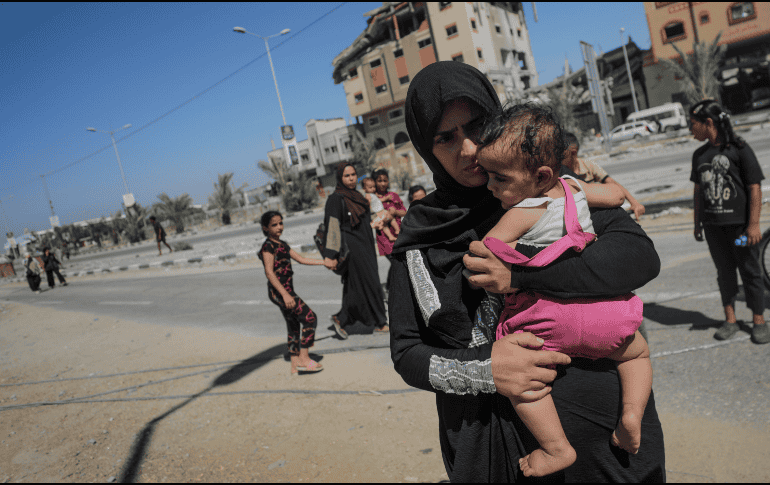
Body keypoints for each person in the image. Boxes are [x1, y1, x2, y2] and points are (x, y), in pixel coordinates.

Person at [390, 61, 665, 481]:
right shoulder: (420, 237)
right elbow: (407, 352)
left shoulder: (550, 188)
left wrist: (522, 278)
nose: (467, 150)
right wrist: (485, 369)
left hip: (605, 432)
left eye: (477, 125)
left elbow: (638, 259)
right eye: (445, 137)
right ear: (427, 148)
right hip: (492, 450)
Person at [475, 104, 651, 476]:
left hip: (547, 324)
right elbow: (615, 196)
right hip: (606, 315)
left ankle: (556, 448)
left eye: (498, 178)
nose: (490, 186)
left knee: (524, 385)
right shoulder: (574, 188)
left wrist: (515, 265)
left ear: (539, 175)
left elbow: (487, 252)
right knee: (636, 356)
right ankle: (632, 414)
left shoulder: (522, 211)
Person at [689, 99, 769, 345]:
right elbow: (698, 192)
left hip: (740, 228)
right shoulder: (699, 155)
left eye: (693, 124)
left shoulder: (739, 149)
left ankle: (758, 320)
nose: (691, 129)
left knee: (750, 271)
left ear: (709, 123)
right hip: (714, 228)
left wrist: (753, 225)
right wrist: (697, 223)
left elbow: (754, 188)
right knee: (724, 273)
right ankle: (730, 320)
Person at [321, 163, 388, 337]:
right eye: (346, 176)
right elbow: (333, 227)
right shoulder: (336, 198)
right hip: (352, 248)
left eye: (353, 175)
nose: (351, 178)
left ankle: (342, 319)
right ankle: (380, 322)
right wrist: (331, 255)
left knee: (358, 286)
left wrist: (378, 221)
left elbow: (367, 218)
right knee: (370, 282)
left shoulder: (357, 195)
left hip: (366, 244)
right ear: (339, 178)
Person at [258, 211, 325, 374]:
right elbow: (269, 272)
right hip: (280, 292)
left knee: (293, 324)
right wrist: (285, 295)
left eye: (281, 223)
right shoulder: (268, 246)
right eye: (274, 224)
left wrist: (324, 262)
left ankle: (295, 363)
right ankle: (304, 358)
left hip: (287, 290)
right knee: (310, 317)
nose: (279, 227)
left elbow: (301, 259)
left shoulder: (283, 244)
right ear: (265, 228)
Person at [562, 132, 646, 220]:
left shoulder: (588, 165)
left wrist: (634, 203)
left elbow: (612, 183)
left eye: (562, 155)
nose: (558, 159)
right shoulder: (560, 173)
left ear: (573, 153)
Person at [372, 169, 407, 257]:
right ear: (374, 182)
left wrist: (395, 212)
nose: (383, 184)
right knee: (395, 263)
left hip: (399, 234)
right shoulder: (372, 198)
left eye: (385, 180)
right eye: (380, 181)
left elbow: (404, 212)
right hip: (385, 238)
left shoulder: (394, 195)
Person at [361, 176, 400, 242]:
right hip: (379, 212)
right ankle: (397, 230)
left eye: (374, 187)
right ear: (364, 189)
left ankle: (390, 236)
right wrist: (385, 198)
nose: (373, 189)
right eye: (370, 187)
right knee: (391, 218)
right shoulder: (368, 196)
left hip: (380, 211)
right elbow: (369, 204)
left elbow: (377, 200)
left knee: (385, 225)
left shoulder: (372, 194)